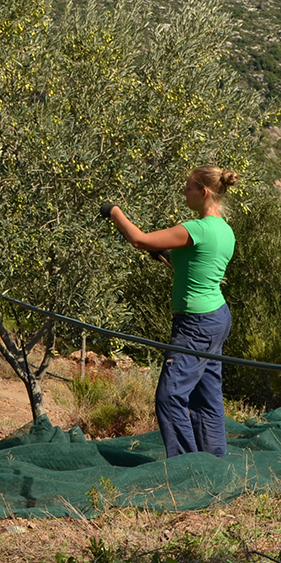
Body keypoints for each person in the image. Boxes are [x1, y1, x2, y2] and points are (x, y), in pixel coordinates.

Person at [101, 165, 239, 458]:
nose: (184, 192)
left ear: (203, 192)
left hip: (195, 324)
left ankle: (185, 469)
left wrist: (114, 211)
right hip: (217, 317)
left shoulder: (196, 228)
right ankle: (214, 464)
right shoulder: (225, 231)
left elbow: (139, 239)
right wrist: (167, 256)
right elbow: (197, 269)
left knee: (170, 397)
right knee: (207, 398)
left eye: (188, 188)